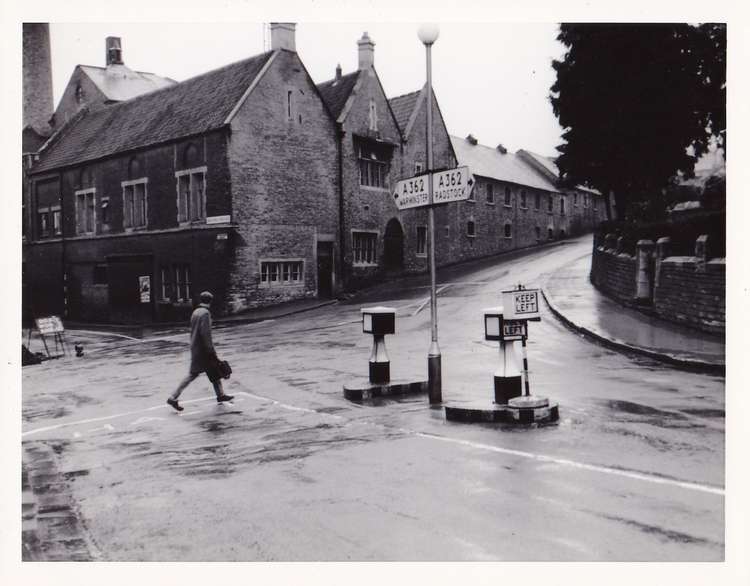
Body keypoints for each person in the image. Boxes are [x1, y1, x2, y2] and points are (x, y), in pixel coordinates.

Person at [167, 290, 233, 411]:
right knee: (195, 374)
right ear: (210, 302)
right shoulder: (205, 314)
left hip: (196, 347)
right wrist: (211, 351)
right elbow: (205, 334)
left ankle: (221, 395)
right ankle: (173, 397)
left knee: (213, 371)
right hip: (203, 350)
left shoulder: (196, 312)